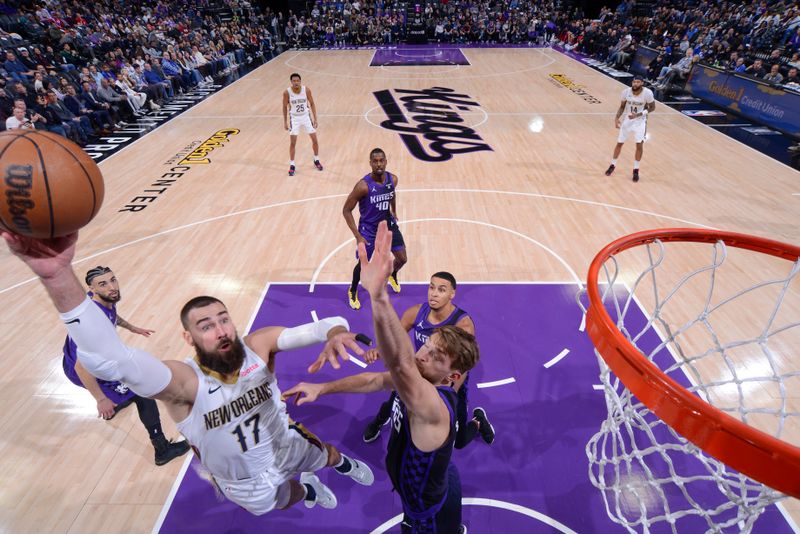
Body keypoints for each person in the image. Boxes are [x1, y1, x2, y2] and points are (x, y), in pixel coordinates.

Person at [2, 231, 375, 516]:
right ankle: (307, 491)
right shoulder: (184, 382)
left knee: (324, 455)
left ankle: (344, 464)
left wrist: (337, 333)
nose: (221, 330)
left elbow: (328, 323)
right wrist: (57, 276)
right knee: (280, 499)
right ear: (189, 337)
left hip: (283, 443)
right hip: (241, 481)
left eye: (224, 319)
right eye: (206, 325)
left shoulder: (258, 345)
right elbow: (110, 360)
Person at [284, 221, 479, 533]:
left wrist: (379, 296)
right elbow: (374, 380)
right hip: (442, 479)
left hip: (424, 511)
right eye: (427, 344)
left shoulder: (434, 404)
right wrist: (322, 388)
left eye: (436, 356)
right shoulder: (419, 376)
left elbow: (400, 366)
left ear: (453, 375)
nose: (423, 354)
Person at [62, 266, 189, 465]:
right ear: (92, 288)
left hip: (86, 360)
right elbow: (82, 369)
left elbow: (112, 316)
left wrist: (132, 328)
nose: (112, 287)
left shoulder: (99, 299)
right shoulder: (91, 324)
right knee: (143, 394)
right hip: (82, 370)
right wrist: (101, 399)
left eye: (113, 280)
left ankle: (118, 399)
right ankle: (162, 450)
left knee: (131, 382)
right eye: (103, 284)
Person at [361, 271, 494, 449]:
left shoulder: (463, 325)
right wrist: (379, 348)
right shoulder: (416, 313)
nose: (434, 293)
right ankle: (379, 421)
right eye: (432, 287)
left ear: (451, 294)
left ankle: (478, 421)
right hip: (420, 372)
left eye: (441, 289)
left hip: (448, 382)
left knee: (459, 441)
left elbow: (462, 369)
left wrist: (448, 392)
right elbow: (395, 336)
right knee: (395, 400)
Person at [342, 148, 407, 310]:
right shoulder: (363, 186)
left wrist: (394, 210)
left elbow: (392, 194)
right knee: (363, 264)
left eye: (381, 160)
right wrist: (358, 236)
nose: (379, 164)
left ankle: (393, 274)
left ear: (386, 161)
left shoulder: (393, 179)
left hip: (388, 224)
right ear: (370, 163)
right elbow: (346, 210)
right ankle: (353, 290)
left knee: (402, 258)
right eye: (375, 161)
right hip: (369, 229)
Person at [605, 75, 655, 183]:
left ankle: (636, 169)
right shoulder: (626, 92)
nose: (635, 84)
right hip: (628, 119)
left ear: (642, 83)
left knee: (639, 145)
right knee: (619, 143)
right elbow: (622, 106)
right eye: (634, 82)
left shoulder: (647, 93)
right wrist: (616, 118)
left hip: (640, 121)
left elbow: (653, 107)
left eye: (637, 82)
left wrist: (639, 114)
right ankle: (612, 165)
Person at [282, 73, 321, 176]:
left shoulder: (306, 90)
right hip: (294, 118)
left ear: (300, 81)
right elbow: (284, 107)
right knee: (293, 142)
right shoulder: (287, 92)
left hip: (306, 116)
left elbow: (312, 103)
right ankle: (292, 165)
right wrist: (285, 121)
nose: (296, 82)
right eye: (294, 81)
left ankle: (316, 160)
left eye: (297, 81)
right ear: (291, 82)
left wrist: (315, 118)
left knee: (314, 140)